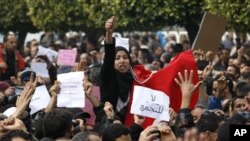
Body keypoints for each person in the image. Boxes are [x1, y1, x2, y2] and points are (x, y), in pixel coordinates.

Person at [100, 16, 134, 123]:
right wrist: (109, 34)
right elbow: (109, 55)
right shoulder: (108, 76)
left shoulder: (137, 79)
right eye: (117, 58)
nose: (122, 61)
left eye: (125, 57)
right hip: (110, 123)